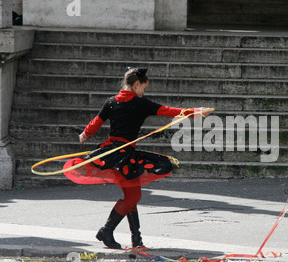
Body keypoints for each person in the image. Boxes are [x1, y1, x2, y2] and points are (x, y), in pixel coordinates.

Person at [64, 67, 211, 249]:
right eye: (144, 88)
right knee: (134, 196)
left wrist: (84, 135)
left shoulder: (111, 102)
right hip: (124, 156)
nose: (144, 92)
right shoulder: (140, 104)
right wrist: (196, 111)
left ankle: (136, 240)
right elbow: (169, 111)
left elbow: (96, 121)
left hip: (111, 153)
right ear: (136, 84)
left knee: (131, 195)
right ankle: (107, 231)